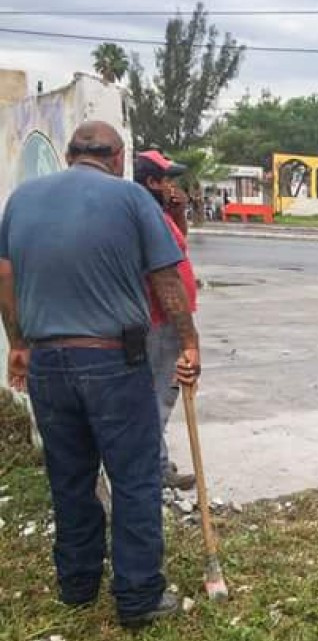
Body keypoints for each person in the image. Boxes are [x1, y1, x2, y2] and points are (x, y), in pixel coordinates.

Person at [0, 121, 200, 628]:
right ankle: (137, 597)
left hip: (48, 361)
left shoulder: (21, 200)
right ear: (118, 157)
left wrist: (18, 342)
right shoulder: (131, 199)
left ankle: (77, 584)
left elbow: (5, 275)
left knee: (71, 478)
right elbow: (166, 277)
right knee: (133, 479)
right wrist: (189, 340)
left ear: (69, 154)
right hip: (112, 360)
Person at [134, 149, 198, 490]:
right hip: (162, 321)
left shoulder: (160, 213)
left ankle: (155, 462)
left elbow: (180, 246)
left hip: (166, 320)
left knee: (158, 395)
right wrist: (189, 337)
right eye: (166, 179)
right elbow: (165, 276)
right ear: (151, 182)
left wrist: (178, 210)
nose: (172, 185)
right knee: (160, 395)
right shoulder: (145, 217)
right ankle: (154, 470)